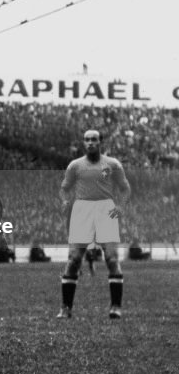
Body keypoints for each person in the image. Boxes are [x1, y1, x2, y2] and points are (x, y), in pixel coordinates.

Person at [57, 129, 131, 320]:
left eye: (94, 140)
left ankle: (115, 307)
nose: (90, 143)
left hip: (105, 209)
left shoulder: (113, 164)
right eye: (87, 140)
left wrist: (121, 207)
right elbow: (64, 188)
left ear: (100, 142)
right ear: (84, 143)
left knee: (112, 259)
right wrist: (65, 201)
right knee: (73, 259)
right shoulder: (75, 165)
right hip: (82, 210)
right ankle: (66, 308)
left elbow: (125, 188)